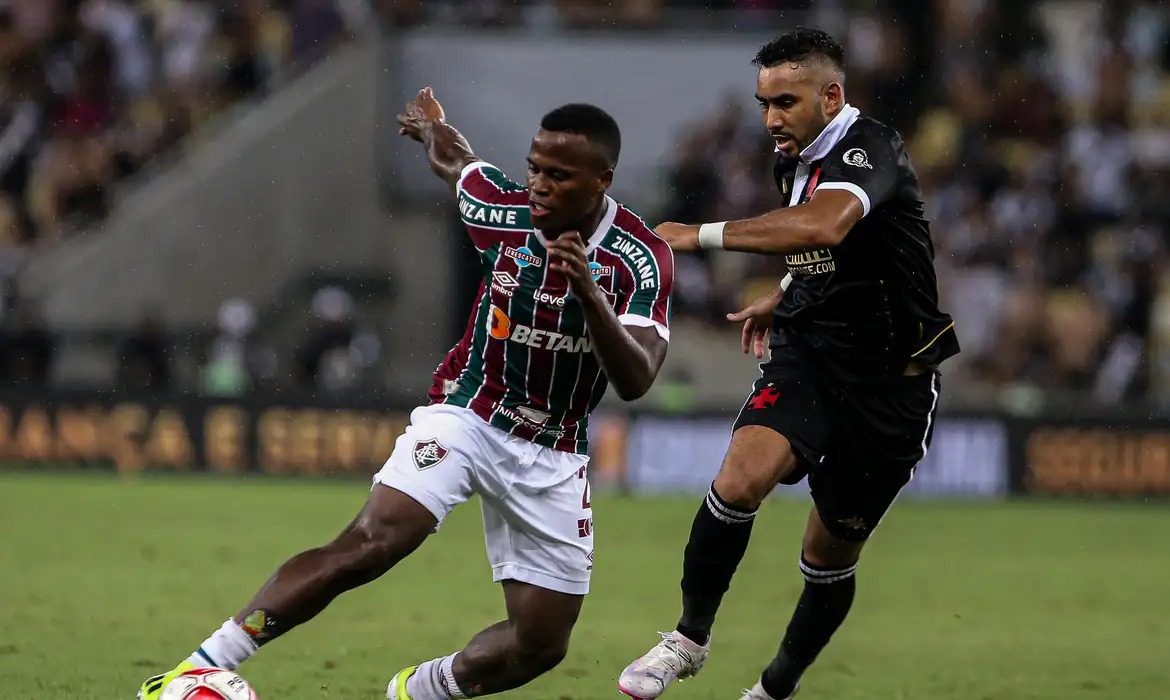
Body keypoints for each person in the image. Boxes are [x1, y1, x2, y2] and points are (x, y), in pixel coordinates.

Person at [138, 88, 674, 700]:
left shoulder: (640, 259)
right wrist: (430, 127)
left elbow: (637, 379)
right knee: (376, 541)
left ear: (602, 180)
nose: (539, 185)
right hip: (468, 414)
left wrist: (590, 297)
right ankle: (203, 665)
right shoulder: (506, 211)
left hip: (554, 452)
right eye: (534, 167)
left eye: (559, 175)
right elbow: (459, 164)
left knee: (541, 644)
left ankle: (418, 692)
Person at [617, 28, 959, 700]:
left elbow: (825, 227)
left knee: (827, 559)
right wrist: (787, 292)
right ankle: (687, 640)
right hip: (810, 359)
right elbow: (833, 253)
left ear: (831, 96)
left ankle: (774, 689)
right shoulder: (793, 156)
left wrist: (699, 235)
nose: (772, 118)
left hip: (892, 388)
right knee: (740, 480)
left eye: (786, 102)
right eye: (764, 102)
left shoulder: (872, 150)